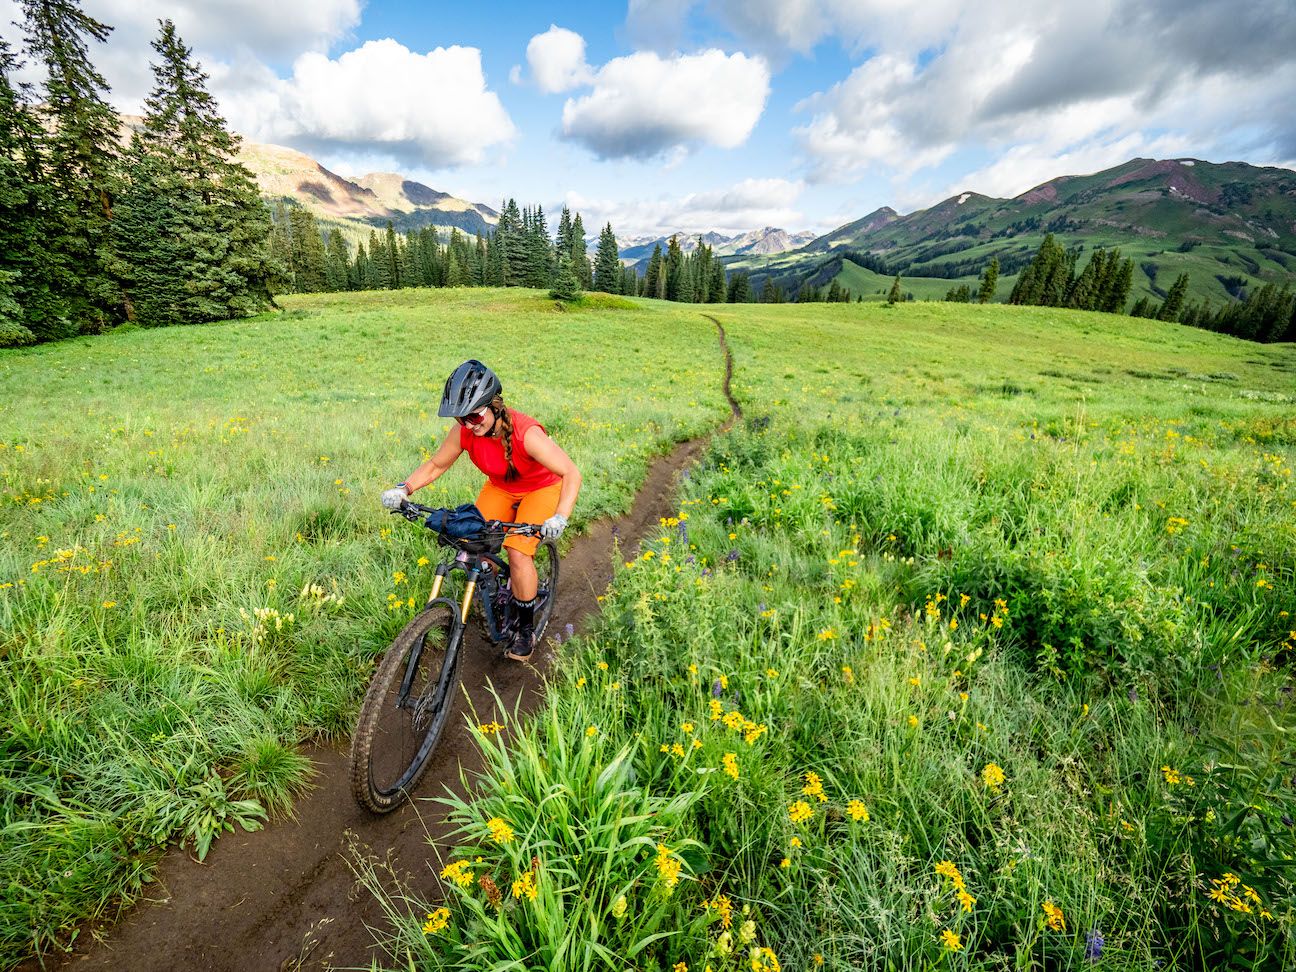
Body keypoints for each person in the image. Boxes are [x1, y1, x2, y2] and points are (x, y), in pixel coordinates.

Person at [381, 360, 581, 661]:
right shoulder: (465, 432)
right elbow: (436, 465)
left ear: (494, 406)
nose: (470, 425)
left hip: (542, 488)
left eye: (475, 416)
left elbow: (571, 473)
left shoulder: (527, 433)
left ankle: (525, 630)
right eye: (463, 420)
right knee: (473, 538)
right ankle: (498, 593)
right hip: (501, 487)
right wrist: (403, 489)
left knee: (517, 551)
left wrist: (561, 516)